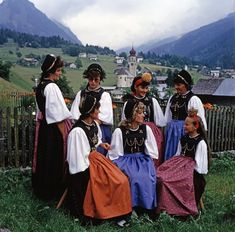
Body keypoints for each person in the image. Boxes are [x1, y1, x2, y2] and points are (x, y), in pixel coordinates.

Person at [66, 94, 132, 224]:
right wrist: (93, 174)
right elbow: (77, 162)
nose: (99, 111)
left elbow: (94, 140)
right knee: (110, 182)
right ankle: (109, 214)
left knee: (121, 179)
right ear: (90, 112)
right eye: (97, 109)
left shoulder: (94, 124)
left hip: (96, 159)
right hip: (84, 166)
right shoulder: (77, 132)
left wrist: (101, 144)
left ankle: (119, 213)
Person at [32, 54, 72, 201]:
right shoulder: (52, 87)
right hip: (53, 129)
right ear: (52, 70)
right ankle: (52, 191)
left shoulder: (40, 86)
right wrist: (64, 136)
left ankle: (41, 189)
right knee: (54, 158)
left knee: (44, 157)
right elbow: (58, 115)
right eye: (59, 70)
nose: (60, 73)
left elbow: (41, 111)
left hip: (43, 127)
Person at [108, 100, 158, 214]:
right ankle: (131, 207)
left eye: (143, 112)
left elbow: (151, 150)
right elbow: (115, 154)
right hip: (126, 160)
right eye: (140, 113)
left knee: (147, 177)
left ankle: (146, 208)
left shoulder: (146, 129)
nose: (144, 115)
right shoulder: (120, 131)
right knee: (134, 177)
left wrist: (149, 162)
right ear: (132, 114)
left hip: (142, 160)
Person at [157, 108, 210, 216]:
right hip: (179, 165)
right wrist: (171, 167)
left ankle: (175, 208)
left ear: (196, 126)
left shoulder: (200, 143)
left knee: (169, 182)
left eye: (187, 125)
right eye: (184, 124)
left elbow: (200, 167)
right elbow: (177, 154)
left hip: (192, 171)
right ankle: (163, 206)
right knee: (160, 176)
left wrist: (184, 173)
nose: (184, 126)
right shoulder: (183, 138)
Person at [122, 72, 166, 166]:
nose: (145, 91)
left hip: (151, 132)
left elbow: (159, 121)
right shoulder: (129, 102)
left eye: (146, 88)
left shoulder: (152, 101)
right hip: (133, 132)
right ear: (135, 87)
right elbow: (124, 120)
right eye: (142, 88)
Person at [70, 63, 113, 155]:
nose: (93, 82)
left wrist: (91, 127)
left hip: (99, 129)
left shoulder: (104, 95)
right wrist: (83, 126)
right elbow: (75, 113)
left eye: (96, 79)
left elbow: (103, 116)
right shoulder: (81, 94)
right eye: (90, 79)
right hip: (81, 127)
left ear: (100, 79)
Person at [164, 69, 207, 161]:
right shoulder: (173, 98)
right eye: (175, 85)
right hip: (172, 130)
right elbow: (168, 115)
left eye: (179, 85)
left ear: (186, 85)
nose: (176, 87)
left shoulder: (193, 99)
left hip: (184, 129)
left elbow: (199, 120)